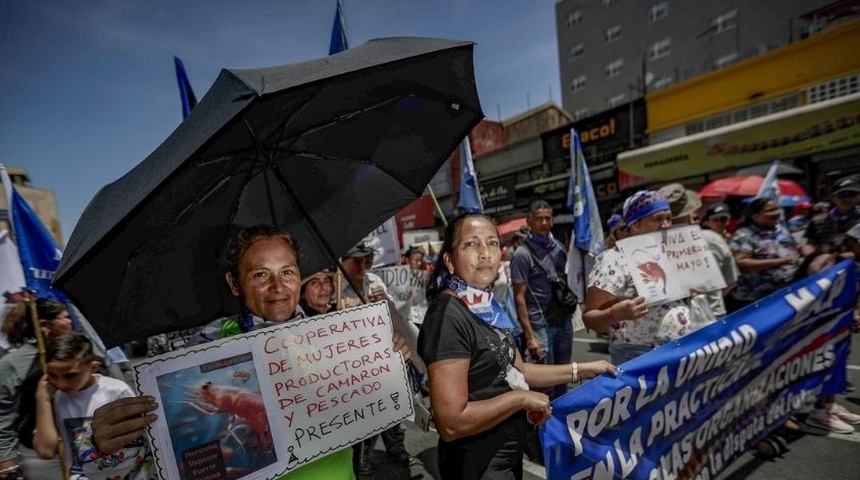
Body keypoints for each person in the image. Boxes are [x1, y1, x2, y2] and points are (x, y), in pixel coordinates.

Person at [88, 225, 412, 480]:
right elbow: (161, 450)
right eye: (260, 274)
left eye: (287, 271)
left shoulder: (337, 337)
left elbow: (385, 404)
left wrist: (392, 360)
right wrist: (110, 445)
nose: (278, 286)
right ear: (234, 283)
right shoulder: (202, 349)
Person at [417, 212, 615, 479]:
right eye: (471, 244)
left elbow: (518, 369)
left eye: (493, 243)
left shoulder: (484, 304)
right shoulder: (447, 317)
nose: (485, 253)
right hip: (477, 465)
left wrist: (584, 369)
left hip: (508, 454)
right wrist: (519, 399)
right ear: (450, 261)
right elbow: (451, 422)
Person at [583, 190, 693, 364]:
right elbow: (590, 319)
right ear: (635, 225)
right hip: (641, 356)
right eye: (657, 219)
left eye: (668, 218)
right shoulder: (615, 259)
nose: (666, 225)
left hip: (682, 351)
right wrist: (616, 313)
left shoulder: (671, 254)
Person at [338, 241, 419, 474]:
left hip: (382, 355)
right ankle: (363, 459)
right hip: (354, 362)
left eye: (367, 258)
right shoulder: (334, 287)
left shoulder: (374, 281)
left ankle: (397, 450)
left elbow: (397, 314)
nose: (363, 265)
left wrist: (384, 300)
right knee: (368, 414)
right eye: (356, 261)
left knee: (393, 405)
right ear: (343, 262)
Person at [33, 332, 150, 479]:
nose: (61, 383)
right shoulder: (55, 397)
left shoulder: (116, 391)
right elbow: (45, 450)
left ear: (93, 367)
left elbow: (141, 442)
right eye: (53, 376)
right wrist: (42, 401)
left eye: (70, 376)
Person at [799, 176, 860, 433]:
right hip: (823, 295)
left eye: (852, 194)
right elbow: (807, 247)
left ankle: (830, 402)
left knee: (840, 350)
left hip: (848, 291)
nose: (847, 199)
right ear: (833, 197)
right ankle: (819, 409)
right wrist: (814, 254)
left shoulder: (858, 220)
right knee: (825, 348)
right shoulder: (819, 222)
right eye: (842, 194)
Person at [0, 298, 73, 480]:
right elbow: (3, 422)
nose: (71, 323)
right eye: (66, 317)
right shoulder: (12, 365)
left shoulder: (80, 353)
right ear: (45, 325)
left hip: (85, 451)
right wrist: (9, 469)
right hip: (42, 462)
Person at [510, 200, 572, 400]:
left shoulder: (559, 248)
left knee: (565, 374)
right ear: (529, 221)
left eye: (547, 218)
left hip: (563, 321)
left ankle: (561, 421)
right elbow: (519, 297)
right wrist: (529, 337)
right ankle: (544, 426)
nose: (544, 223)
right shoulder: (522, 254)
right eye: (539, 219)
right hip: (540, 327)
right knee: (545, 384)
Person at [659, 183, 738, 321]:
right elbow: (731, 282)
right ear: (690, 211)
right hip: (714, 314)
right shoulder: (712, 238)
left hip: (677, 321)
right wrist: (710, 296)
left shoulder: (652, 246)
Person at [726, 198, 803, 314]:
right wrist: (778, 261)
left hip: (785, 292)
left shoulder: (782, 229)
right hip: (756, 300)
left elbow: (793, 249)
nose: (776, 213)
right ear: (755, 216)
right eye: (770, 210)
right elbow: (741, 264)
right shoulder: (744, 235)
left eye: (777, 209)